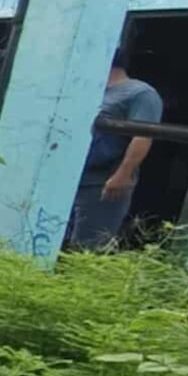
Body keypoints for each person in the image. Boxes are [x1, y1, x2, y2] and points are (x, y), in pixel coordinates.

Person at [69, 48, 163, 250]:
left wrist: (123, 175)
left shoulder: (140, 93)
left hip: (103, 182)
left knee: (89, 245)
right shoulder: (89, 90)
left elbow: (143, 136)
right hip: (73, 177)